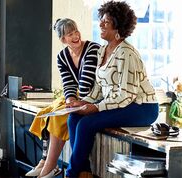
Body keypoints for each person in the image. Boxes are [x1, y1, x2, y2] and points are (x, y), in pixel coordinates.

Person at [65, 1, 159, 177]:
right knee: (74, 117)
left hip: (141, 107)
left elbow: (125, 95)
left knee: (87, 123)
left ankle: (72, 173)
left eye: (105, 22)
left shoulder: (127, 53)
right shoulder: (103, 51)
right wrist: (83, 102)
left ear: (117, 27)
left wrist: (96, 107)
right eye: (101, 20)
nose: (100, 24)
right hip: (122, 103)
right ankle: (84, 171)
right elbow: (99, 88)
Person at [25, 18, 100, 178]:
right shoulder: (62, 57)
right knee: (46, 113)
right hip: (77, 96)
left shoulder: (92, 48)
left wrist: (73, 102)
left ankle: (49, 167)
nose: (75, 36)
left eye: (76, 31)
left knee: (58, 118)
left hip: (93, 97)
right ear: (63, 39)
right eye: (70, 34)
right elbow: (68, 84)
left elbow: (86, 84)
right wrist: (69, 100)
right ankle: (45, 161)